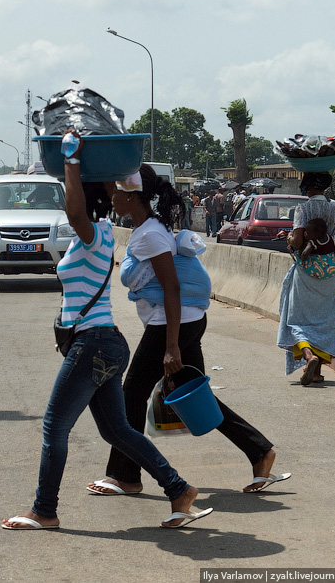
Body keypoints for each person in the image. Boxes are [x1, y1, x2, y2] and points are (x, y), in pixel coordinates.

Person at [2, 132, 212, 531]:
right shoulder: (98, 236)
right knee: (117, 429)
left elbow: (75, 213)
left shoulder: (92, 232)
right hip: (103, 344)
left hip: (93, 343)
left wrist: (71, 161)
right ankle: (178, 488)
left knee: (54, 427)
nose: (115, 193)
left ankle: (44, 510)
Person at [86, 165, 288, 497]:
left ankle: (125, 475)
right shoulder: (150, 227)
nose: (112, 196)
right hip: (184, 322)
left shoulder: (150, 234)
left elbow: (172, 288)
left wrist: (170, 347)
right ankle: (259, 451)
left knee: (131, 395)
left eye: (117, 191)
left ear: (131, 195)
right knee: (194, 393)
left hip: (170, 325)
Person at [278, 172, 335, 385]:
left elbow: (297, 241)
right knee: (324, 321)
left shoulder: (303, 209)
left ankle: (308, 357)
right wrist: (332, 249)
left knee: (297, 319)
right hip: (330, 273)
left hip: (305, 274)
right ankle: (315, 372)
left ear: (307, 189)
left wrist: (291, 239)